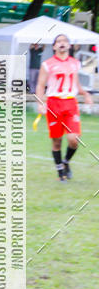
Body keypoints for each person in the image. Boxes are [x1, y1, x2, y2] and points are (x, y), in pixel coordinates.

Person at [35, 33, 93, 181]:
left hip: (70, 103)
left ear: (69, 45)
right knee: (57, 141)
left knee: (74, 139)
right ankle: (60, 172)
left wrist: (85, 94)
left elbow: (76, 84)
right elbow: (41, 85)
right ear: (54, 46)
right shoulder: (47, 64)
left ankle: (66, 162)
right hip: (54, 103)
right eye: (59, 41)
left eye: (65, 41)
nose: (62, 43)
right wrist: (40, 103)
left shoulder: (75, 63)